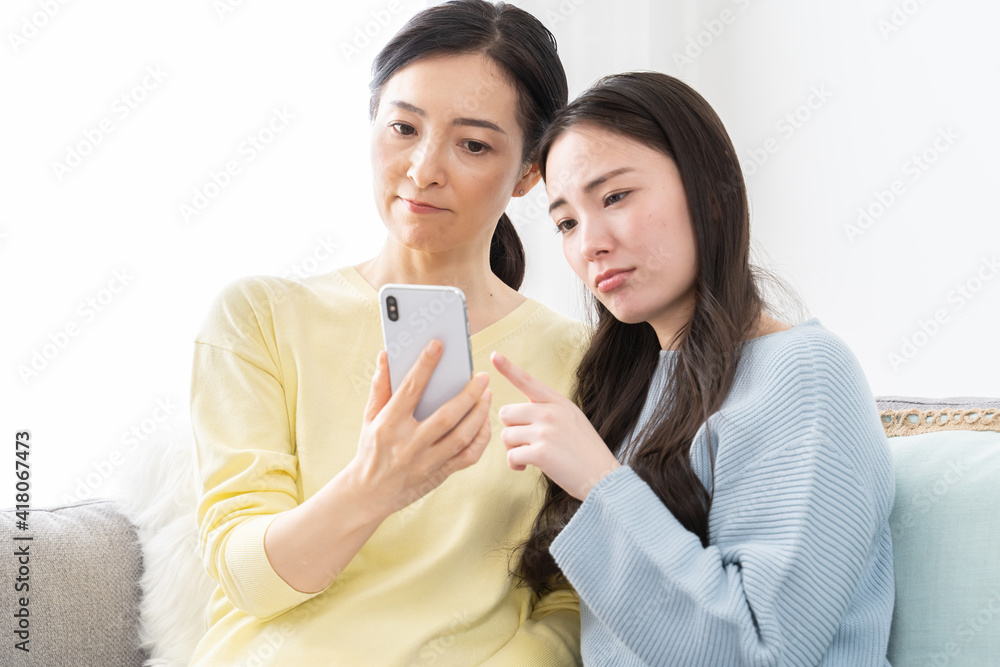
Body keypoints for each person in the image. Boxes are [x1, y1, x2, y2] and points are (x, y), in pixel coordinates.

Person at [187, 2, 587, 665]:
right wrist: (376, 485)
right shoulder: (259, 316)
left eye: (473, 144)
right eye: (404, 127)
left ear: (528, 173)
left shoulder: (578, 359)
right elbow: (247, 578)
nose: (423, 168)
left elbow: (571, 598)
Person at [489, 71, 895, 666]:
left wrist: (599, 482)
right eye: (567, 223)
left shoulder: (804, 372)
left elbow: (763, 653)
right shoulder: (628, 388)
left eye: (615, 197)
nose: (590, 243)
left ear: (711, 192)